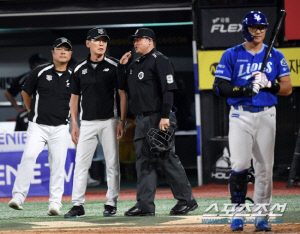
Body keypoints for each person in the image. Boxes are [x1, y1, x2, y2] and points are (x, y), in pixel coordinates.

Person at [213, 11, 292, 231]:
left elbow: (287, 87)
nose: (258, 31)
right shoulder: (232, 54)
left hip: (267, 113)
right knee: (239, 165)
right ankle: (238, 214)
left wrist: (271, 85)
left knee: (264, 169)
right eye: (253, 27)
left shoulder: (275, 55)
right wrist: (244, 89)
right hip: (240, 114)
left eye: (262, 27)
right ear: (245, 29)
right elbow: (219, 87)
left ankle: (261, 217)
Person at [118, 28, 198, 216]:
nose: (135, 43)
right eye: (134, 40)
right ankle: (145, 205)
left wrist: (165, 116)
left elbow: (168, 90)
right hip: (141, 119)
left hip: (158, 117)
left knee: (167, 158)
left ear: (150, 41)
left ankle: (187, 200)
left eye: (139, 39)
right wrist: (121, 67)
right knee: (143, 162)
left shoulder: (159, 60)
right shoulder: (135, 64)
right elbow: (123, 87)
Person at [64, 27, 127, 218]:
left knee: (112, 164)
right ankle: (77, 205)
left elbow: (123, 95)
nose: (101, 43)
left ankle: (111, 202)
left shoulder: (115, 65)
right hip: (87, 123)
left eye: (104, 40)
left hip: (110, 120)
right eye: (97, 40)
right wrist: (74, 124)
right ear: (88, 43)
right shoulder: (78, 68)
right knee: (81, 164)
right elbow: (74, 99)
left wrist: (122, 121)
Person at [8, 37, 73, 216]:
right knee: (28, 157)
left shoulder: (74, 76)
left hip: (61, 127)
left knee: (58, 165)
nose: (62, 52)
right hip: (38, 125)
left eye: (66, 49)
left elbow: (76, 101)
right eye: (59, 49)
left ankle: (55, 203)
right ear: (53, 52)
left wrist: (74, 124)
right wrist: (31, 112)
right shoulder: (40, 71)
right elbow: (25, 93)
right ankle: (18, 197)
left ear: (70, 54)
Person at [4, 53, 48, 131]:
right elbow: (8, 93)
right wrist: (18, 108)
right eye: (40, 62)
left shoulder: (49, 77)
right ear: (33, 64)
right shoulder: (24, 78)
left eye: (43, 62)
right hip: (30, 113)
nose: (43, 65)